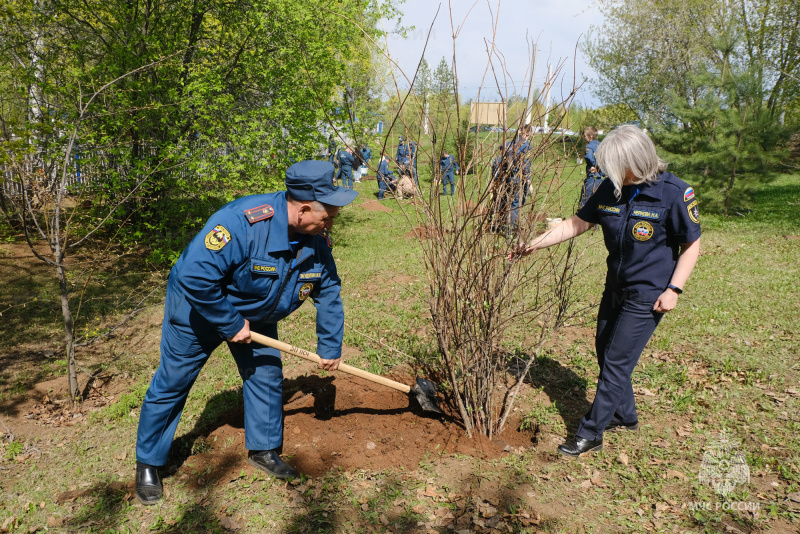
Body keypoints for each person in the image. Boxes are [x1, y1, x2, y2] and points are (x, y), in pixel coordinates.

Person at [134, 161, 358, 505]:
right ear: (303, 208)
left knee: (266, 374)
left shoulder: (315, 240)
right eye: (328, 216)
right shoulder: (241, 222)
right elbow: (196, 277)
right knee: (173, 381)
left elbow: (327, 291)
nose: (332, 223)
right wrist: (230, 323)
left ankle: (263, 450)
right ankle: (149, 463)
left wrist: (330, 345)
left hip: (258, 310)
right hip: (198, 308)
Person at [510, 125, 701, 458]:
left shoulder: (674, 193)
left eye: (616, 165)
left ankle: (591, 432)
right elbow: (577, 222)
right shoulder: (611, 189)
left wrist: (674, 288)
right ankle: (623, 414)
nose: (610, 173)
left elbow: (692, 244)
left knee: (615, 360)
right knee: (604, 347)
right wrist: (533, 245)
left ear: (637, 161)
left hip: (649, 293)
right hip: (616, 286)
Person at [578, 126, 604, 208]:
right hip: (600, 178)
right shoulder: (601, 145)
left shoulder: (589, 146)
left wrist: (594, 165)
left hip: (592, 177)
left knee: (584, 201)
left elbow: (589, 157)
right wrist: (601, 171)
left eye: (585, 136)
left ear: (590, 137)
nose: (584, 137)